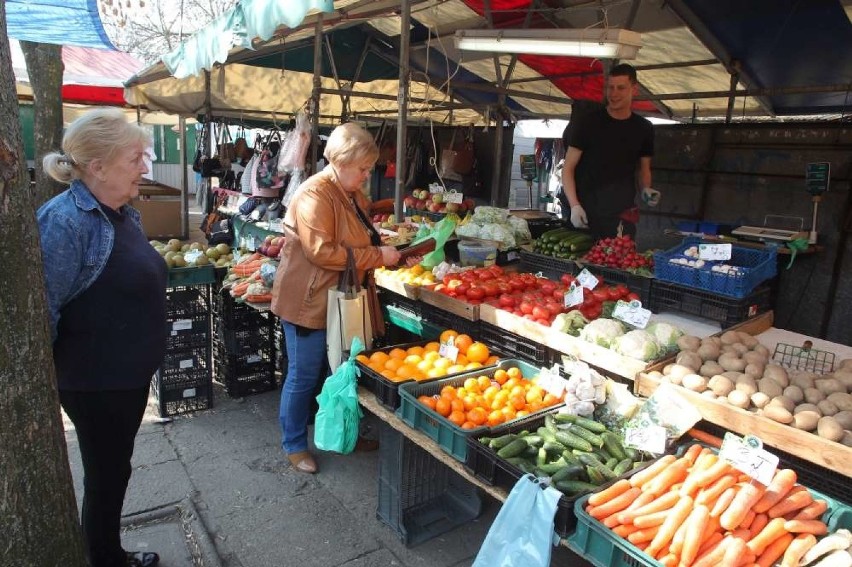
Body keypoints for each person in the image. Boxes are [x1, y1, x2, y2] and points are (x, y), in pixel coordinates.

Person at [38, 108, 165, 567]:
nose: (144, 168)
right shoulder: (64, 222)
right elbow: (45, 307)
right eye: (136, 158)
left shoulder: (121, 215)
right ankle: (107, 560)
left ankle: (105, 553)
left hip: (121, 378)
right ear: (98, 166)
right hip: (96, 382)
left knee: (113, 470)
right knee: (107, 474)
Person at [270, 122, 401, 474]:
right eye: (362, 168)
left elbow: (359, 236)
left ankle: (344, 433)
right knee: (304, 374)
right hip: (308, 300)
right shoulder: (315, 194)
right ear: (341, 162)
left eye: (368, 168)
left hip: (340, 298)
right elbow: (321, 252)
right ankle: (294, 444)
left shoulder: (351, 195)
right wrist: (378, 257)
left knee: (343, 369)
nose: (366, 174)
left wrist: (392, 250)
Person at [561, 63, 659, 239]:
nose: (614, 94)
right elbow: (568, 168)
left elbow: (643, 169)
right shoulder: (587, 123)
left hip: (622, 215)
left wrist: (646, 189)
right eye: (610, 87)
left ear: (634, 89)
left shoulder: (644, 128)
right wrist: (574, 205)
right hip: (585, 213)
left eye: (621, 88)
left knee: (620, 263)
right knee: (581, 264)